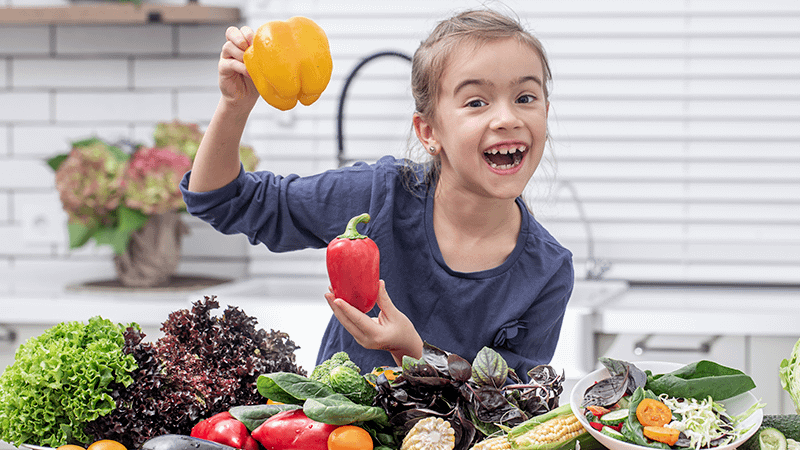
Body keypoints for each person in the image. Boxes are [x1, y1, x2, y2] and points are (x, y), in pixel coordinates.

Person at [180, 8, 574, 379]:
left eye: (525, 97)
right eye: (476, 102)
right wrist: (235, 106)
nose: (507, 118)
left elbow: (512, 411)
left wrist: (413, 353)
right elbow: (220, 199)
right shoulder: (378, 196)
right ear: (428, 132)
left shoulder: (548, 272)